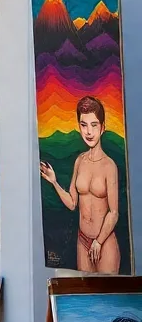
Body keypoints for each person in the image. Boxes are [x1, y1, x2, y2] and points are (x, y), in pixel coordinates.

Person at [40, 95, 122, 273]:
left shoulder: (109, 166)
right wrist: (54, 182)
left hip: (104, 242)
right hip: (82, 241)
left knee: (106, 297)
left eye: (94, 125)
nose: (89, 132)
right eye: (84, 125)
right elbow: (72, 203)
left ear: (102, 128)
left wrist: (99, 241)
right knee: (82, 294)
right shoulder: (79, 161)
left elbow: (114, 213)